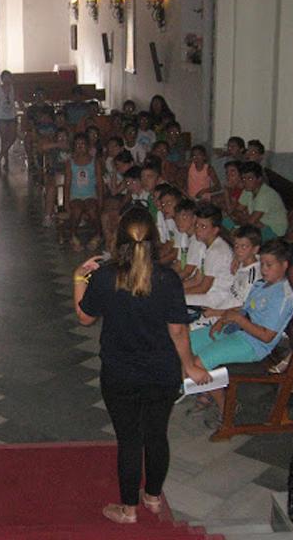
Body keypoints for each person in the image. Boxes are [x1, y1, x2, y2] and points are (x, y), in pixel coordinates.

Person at [74, 207, 210, 524]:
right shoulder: (167, 278)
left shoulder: (104, 276)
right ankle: (152, 497)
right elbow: (178, 330)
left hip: (120, 372)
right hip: (161, 372)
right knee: (156, 435)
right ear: (154, 239)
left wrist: (79, 277)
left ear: (118, 238)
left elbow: (84, 317)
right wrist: (189, 365)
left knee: (130, 439)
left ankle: (128, 509)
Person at [189, 238, 293, 418]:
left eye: (269, 265)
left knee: (199, 363)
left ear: (284, 265)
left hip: (254, 344)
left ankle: (226, 410)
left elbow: (266, 336)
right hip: (237, 330)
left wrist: (238, 319)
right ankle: (207, 390)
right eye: (262, 264)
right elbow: (244, 309)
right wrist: (223, 319)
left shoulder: (282, 296)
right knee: (186, 343)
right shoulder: (261, 284)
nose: (264, 269)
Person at [184, 204, 235, 309]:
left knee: (172, 299)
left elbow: (204, 288)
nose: (198, 230)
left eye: (203, 227)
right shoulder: (203, 245)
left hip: (217, 297)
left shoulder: (217, 250)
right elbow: (197, 279)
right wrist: (174, 288)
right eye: (196, 225)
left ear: (215, 230)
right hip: (208, 293)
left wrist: (176, 293)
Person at [64, 132, 104, 252]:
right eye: (77, 144)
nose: (80, 147)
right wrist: (66, 201)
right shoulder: (70, 162)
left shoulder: (94, 161)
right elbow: (67, 183)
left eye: (83, 144)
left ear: (88, 146)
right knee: (76, 209)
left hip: (90, 194)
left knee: (92, 208)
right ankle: (73, 236)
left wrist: (100, 200)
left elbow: (99, 183)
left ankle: (98, 234)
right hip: (75, 195)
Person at [231, 161, 287, 240]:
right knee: (225, 222)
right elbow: (236, 211)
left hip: (273, 231)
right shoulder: (247, 190)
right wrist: (243, 218)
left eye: (250, 178)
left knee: (237, 234)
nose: (246, 182)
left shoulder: (265, 194)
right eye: (243, 178)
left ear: (259, 179)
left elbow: (251, 222)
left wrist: (242, 218)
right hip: (257, 225)